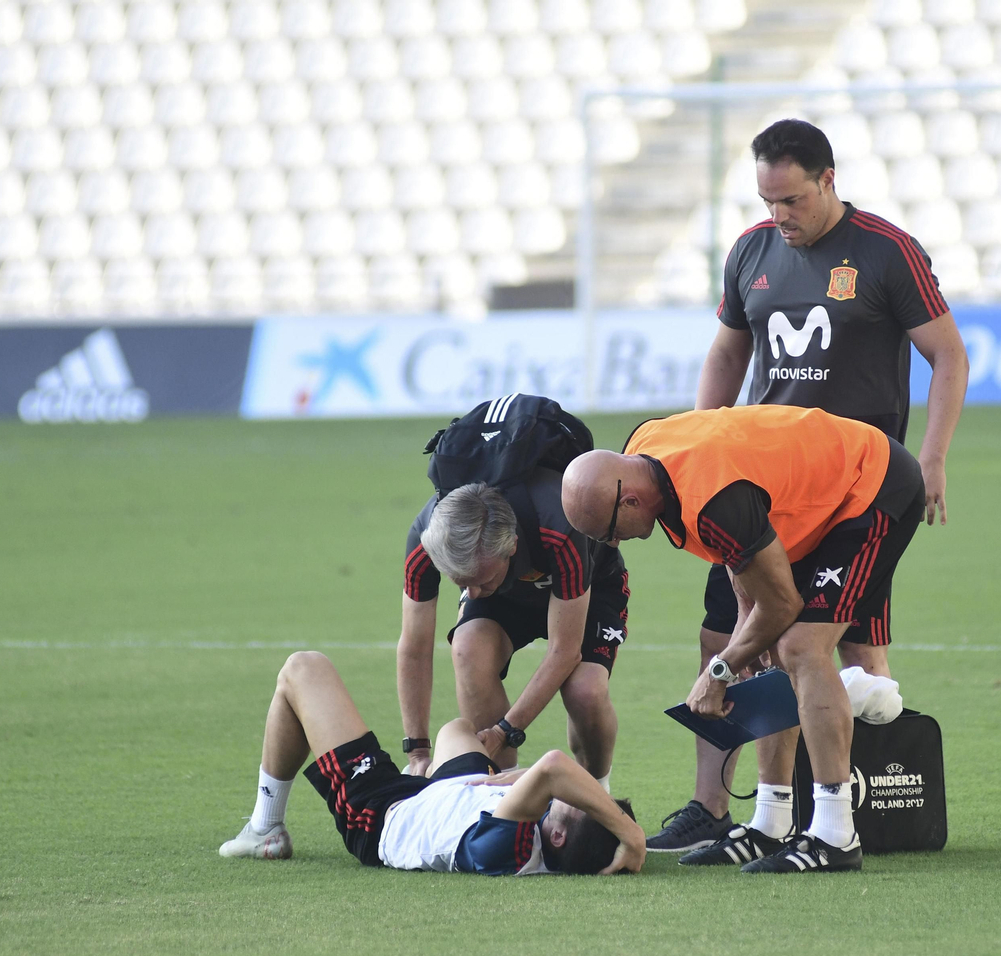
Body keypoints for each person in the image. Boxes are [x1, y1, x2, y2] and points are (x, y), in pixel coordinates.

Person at [645, 117, 969, 856]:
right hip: (755, 493)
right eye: (767, 202)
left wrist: (935, 457)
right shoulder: (750, 253)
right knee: (727, 638)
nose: (779, 218)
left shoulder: (887, 252)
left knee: (843, 652)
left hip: (854, 494)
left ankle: (851, 810)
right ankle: (716, 805)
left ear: (828, 181)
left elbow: (948, 356)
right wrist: (701, 443)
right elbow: (728, 351)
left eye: (791, 200)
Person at [561, 405, 927, 873]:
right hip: (810, 501)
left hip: (872, 487)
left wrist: (720, 670)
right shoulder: (643, 450)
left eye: (610, 532)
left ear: (630, 501)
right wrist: (743, 651)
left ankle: (837, 836)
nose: (614, 543)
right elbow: (747, 588)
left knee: (800, 647)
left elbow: (780, 606)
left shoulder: (713, 500)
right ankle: (772, 822)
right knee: (768, 652)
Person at [217, 650, 644, 875]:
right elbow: (550, 778)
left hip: (384, 814)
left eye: (565, 804)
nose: (563, 795)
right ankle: (422, 768)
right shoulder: (535, 832)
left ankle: (265, 829)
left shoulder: (500, 849)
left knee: (303, 669)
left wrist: (633, 836)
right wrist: (514, 779)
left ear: (553, 836)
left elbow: (553, 766)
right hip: (452, 797)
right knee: (456, 729)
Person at [398, 472, 628, 784]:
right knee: (467, 648)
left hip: (587, 586)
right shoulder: (428, 537)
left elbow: (564, 652)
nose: (473, 593)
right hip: (506, 595)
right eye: (462, 582)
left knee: (585, 691)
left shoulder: (560, 526)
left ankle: (596, 791)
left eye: (480, 580)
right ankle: (498, 789)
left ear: (512, 546)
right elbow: (414, 647)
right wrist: (417, 752)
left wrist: (505, 731)